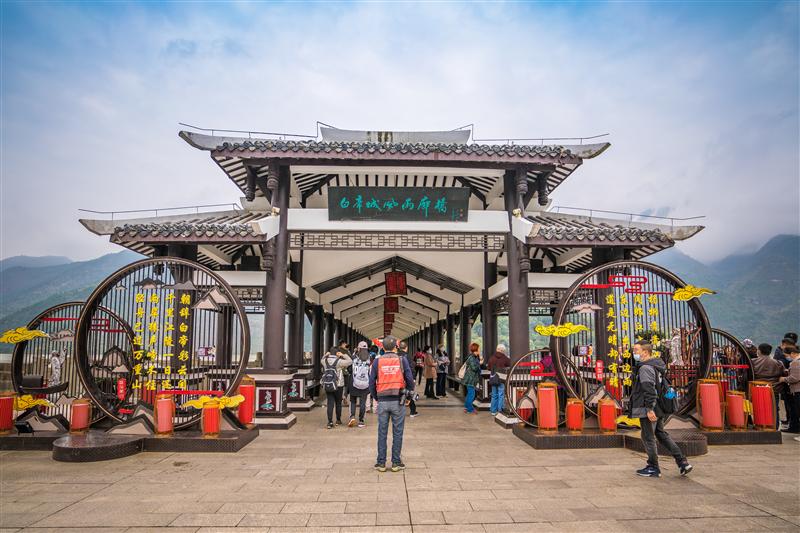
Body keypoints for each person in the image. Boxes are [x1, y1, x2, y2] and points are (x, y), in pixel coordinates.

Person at [630, 341, 693, 478]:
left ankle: (653, 467)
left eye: (636, 350)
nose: (634, 353)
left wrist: (649, 409)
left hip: (651, 408)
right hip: (660, 407)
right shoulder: (657, 365)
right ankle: (682, 462)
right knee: (661, 434)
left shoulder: (645, 368)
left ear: (645, 352)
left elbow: (649, 390)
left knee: (648, 437)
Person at [369, 335, 414, 472]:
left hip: (382, 400)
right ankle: (395, 462)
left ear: (382, 347)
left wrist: (376, 397)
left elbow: (371, 382)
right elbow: (409, 379)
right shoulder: (402, 360)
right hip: (397, 401)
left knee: (382, 432)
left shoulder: (377, 362)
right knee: (397, 432)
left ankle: (381, 463)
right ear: (396, 347)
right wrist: (409, 395)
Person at [753, 343, 787, 429]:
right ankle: (774, 427)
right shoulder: (778, 363)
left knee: (759, 408)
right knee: (774, 408)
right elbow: (784, 373)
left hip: (758, 388)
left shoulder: (753, 361)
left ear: (759, 351)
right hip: (774, 388)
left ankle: (760, 425)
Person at [321, 345, 352, 429]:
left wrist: (325, 355)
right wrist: (342, 355)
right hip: (338, 385)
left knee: (330, 403)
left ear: (330, 352)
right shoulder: (339, 361)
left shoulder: (325, 361)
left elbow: (321, 360)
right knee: (338, 403)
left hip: (328, 384)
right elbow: (350, 361)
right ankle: (338, 420)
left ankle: (330, 422)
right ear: (337, 353)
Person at [348, 343, 371, 428]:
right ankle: (361, 421)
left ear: (358, 348)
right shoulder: (369, 358)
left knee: (353, 401)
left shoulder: (353, 357)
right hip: (365, 383)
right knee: (363, 403)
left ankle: (352, 417)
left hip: (354, 383)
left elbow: (349, 369)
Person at [778, 346, 800, 434]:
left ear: (792, 354)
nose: (787, 357)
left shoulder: (795, 363)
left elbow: (795, 378)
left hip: (797, 390)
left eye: (786, 355)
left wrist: (783, 379)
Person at [487, 344, 511, 415]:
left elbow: (488, 368)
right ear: (503, 350)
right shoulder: (506, 358)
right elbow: (510, 365)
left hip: (493, 378)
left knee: (494, 394)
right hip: (501, 379)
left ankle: (493, 411)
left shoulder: (491, 358)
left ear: (497, 349)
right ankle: (500, 410)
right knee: (501, 394)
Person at [398, 341, 418, 418]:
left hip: (398, 379)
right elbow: (411, 368)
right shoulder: (408, 356)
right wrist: (413, 378)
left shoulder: (396, 356)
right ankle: (413, 411)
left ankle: (399, 411)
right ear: (406, 348)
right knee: (409, 393)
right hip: (407, 378)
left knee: (399, 394)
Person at [463, 343, 482, 414]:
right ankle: (470, 409)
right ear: (476, 349)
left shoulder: (474, 357)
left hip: (471, 378)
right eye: (479, 349)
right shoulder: (472, 357)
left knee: (470, 394)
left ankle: (466, 407)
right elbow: (474, 368)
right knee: (472, 394)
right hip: (470, 379)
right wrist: (480, 363)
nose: (480, 350)